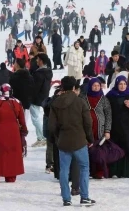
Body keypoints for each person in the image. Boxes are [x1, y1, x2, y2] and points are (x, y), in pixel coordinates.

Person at [48, 76, 96, 206]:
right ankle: (84, 196)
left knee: (64, 170)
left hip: (63, 140)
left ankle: (66, 198)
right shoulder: (80, 101)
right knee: (84, 167)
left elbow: (52, 125)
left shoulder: (55, 103)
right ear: (74, 87)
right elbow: (88, 122)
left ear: (62, 87)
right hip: (79, 139)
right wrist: (90, 138)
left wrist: (58, 137)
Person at [0, 83, 27, 183]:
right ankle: (11, 176)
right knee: (12, 154)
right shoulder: (16, 103)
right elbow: (22, 119)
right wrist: (24, 130)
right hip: (13, 132)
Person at [105, 75, 129, 178]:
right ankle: (114, 171)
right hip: (115, 127)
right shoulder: (111, 95)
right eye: (120, 84)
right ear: (116, 84)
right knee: (115, 148)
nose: (122, 86)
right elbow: (105, 110)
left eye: (124, 84)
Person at [81, 77, 112, 178]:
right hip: (86, 129)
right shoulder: (83, 98)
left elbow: (108, 115)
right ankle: (88, 170)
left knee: (99, 151)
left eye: (98, 86)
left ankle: (99, 172)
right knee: (87, 149)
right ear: (90, 86)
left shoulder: (104, 99)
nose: (96, 87)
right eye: (94, 85)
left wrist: (107, 130)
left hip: (100, 129)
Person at [32, 53, 53, 147]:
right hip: (45, 96)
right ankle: (40, 137)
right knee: (38, 118)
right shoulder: (48, 71)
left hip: (36, 97)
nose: (36, 61)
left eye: (38, 59)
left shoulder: (38, 73)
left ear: (41, 61)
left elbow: (35, 87)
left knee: (35, 119)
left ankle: (42, 138)